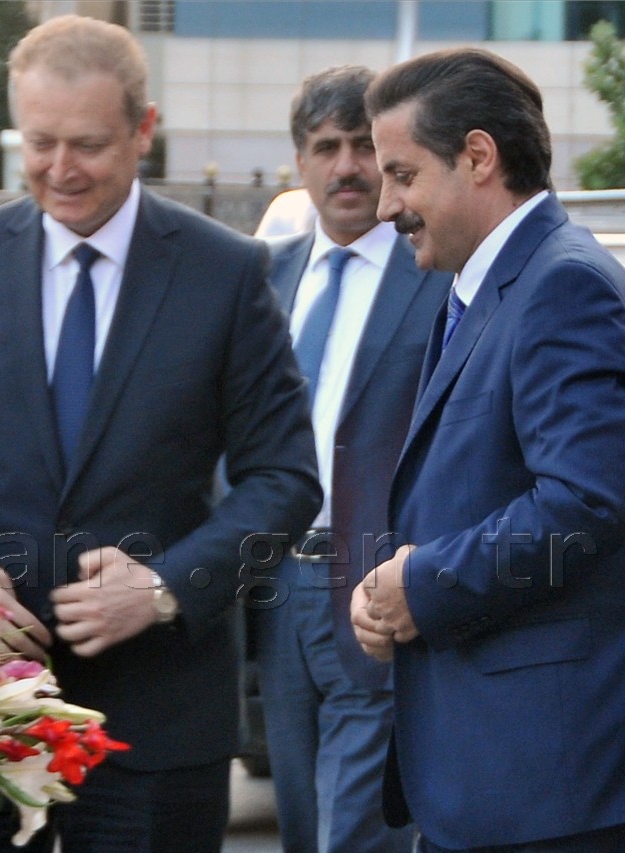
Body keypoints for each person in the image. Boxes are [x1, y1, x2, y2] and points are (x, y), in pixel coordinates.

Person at [0, 15, 320, 853]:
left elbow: (285, 479)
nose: (59, 169)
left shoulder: (227, 272)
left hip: (158, 716)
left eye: (87, 143)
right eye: (39, 143)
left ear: (144, 130)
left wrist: (163, 587)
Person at [352, 47, 625, 852]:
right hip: (491, 781)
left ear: (477, 156)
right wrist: (397, 597)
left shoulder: (561, 285)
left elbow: (586, 503)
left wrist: (422, 587)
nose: (383, 205)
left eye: (401, 174)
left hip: (545, 796)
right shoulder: (484, 284)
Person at [254, 65, 449, 853]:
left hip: (376, 578)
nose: (345, 167)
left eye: (363, 145)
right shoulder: (265, 277)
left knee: (356, 829)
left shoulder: (437, 274)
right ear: (298, 162)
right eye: (324, 146)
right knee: (298, 817)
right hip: (271, 586)